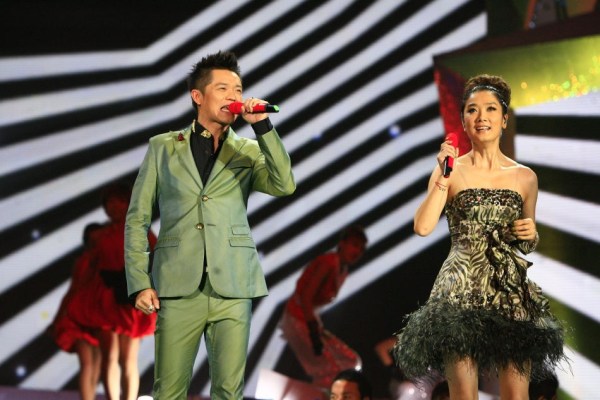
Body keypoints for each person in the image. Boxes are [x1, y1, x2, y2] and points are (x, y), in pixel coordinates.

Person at [124, 50, 296, 400]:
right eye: (223, 89)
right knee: (168, 391)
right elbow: (137, 218)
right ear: (198, 96)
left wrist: (262, 126)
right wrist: (139, 282)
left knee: (229, 392)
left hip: (233, 284)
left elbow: (284, 184)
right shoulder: (163, 148)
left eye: (238, 89)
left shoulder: (248, 150)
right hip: (177, 285)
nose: (234, 96)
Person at [392, 74, 566, 399]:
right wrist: (444, 175)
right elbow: (423, 227)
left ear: (504, 119)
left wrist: (531, 233)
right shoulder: (450, 169)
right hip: (460, 288)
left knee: (517, 395)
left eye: (490, 109)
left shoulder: (525, 177)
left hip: (509, 292)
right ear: (463, 120)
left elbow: (527, 241)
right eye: (472, 110)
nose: (481, 117)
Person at [76, 183, 157, 400]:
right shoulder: (100, 236)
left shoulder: (141, 231)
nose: (113, 206)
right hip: (106, 299)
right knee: (109, 356)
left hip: (131, 298)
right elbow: (89, 268)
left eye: (118, 201)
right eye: (109, 203)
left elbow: (158, 259)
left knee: (128, 359)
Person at [279, 225, 367, 389]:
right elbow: (306, 297)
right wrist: (313, 330)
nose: (357, 251)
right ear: (342, 243)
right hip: (297, 318)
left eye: (361, 249)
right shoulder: (328, 262)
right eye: (355, 245)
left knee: (351, 361)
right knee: (331, 371)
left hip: (310, 320)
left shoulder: (342, 271)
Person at [50, 222, 103, 400]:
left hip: (98, 316)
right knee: (89, 364)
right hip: (80, 317)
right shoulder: (86, 261)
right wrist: (58, 318)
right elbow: (73, 290)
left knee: (95, 364)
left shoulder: (101, 258)